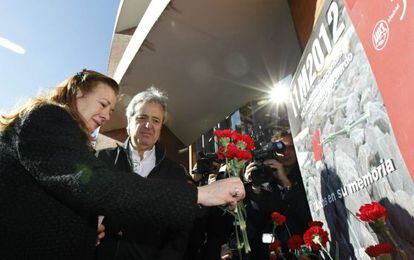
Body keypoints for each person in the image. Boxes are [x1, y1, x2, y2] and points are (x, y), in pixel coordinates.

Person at [0, 69, 245, 259]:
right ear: (77, 93)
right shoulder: (49, 118)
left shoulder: (174, 172)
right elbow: (99, 188)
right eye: (103, 104)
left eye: (111, 109)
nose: (107, 116)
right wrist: (199, 194)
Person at [95, 87, 191, 260]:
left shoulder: (175, 173)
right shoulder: (101, 159)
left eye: (156, 120)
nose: (149, 125)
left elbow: (179, 232)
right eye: (142, 117)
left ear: (161, 127)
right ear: (128, 122)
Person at [243, 131, 312, 259]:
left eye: (291, 147)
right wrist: (254, 186)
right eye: (281, 148)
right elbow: (257, 221)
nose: (286, 152)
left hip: (305, 249)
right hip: (275, 252)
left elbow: (307, 214)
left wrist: (285, 182)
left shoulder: (307, 173)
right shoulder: (264, 177)